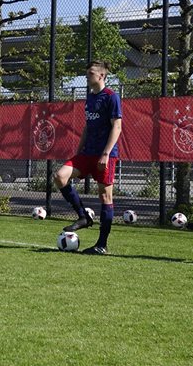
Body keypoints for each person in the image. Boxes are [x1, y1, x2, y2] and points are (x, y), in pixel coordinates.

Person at [53, 60, 122, 255]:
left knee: (105, 197)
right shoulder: (89, 98)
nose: (87, 76)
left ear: (101, 76)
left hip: (104, 155)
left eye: (90, 73)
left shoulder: (111, 97)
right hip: (87, 153)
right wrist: (80, 149)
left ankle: (101, 245)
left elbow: (117, 127)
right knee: (60, 176)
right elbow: (86, 127)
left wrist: (106, 154)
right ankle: (83, 216)